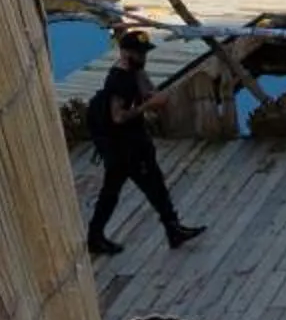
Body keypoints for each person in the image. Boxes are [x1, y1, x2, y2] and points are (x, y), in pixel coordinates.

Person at [85, 29, 205, 255]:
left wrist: (152, 94)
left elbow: (147, 87)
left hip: (134, 141)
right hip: (124, 146)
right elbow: (118, 116)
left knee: (141, 187)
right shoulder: (118, 80)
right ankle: (96, 237)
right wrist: (146, 107)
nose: (144, 57)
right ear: (126, 53)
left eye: (145, 53)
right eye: (139, 53)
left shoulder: (135, 70)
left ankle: (172, 229)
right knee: (138, 188)